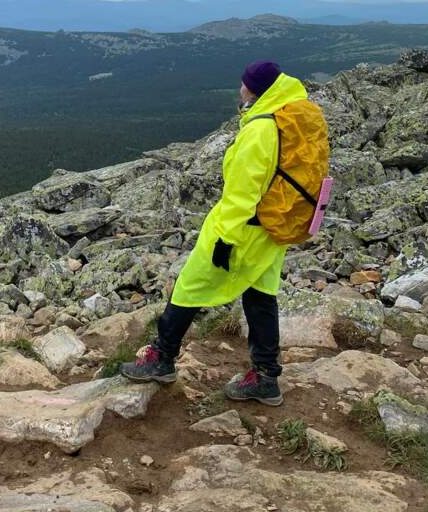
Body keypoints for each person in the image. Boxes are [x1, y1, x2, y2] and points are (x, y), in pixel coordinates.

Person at [121, 60, 329, 406]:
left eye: (244, 85)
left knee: (190, 285)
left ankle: (161, 358)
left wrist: (225, 240)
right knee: (261, 294)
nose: (240, 89)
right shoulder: (293, 115)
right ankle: (265, 377)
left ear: (256, 90)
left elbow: (241, 195)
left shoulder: (261, 130)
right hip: (275, 227)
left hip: (244, 229)